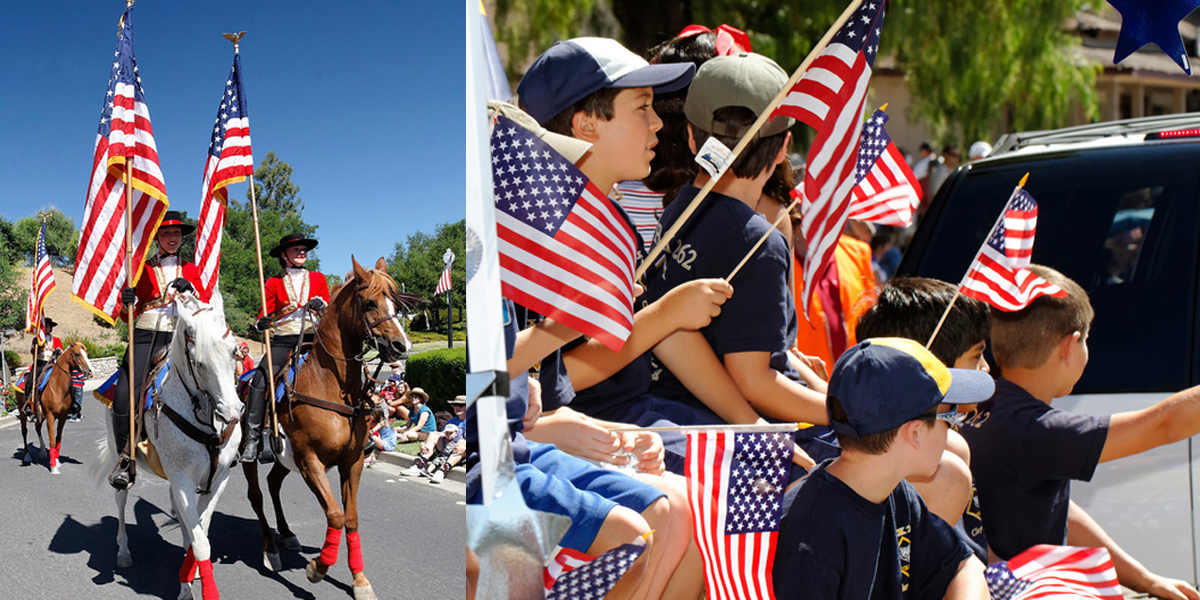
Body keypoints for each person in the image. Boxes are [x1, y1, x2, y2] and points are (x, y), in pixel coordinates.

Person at [957, 265, 1200, 598]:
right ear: (1069, 347)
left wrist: (1145, 580)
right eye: (1086, 338)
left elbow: (1056, 505)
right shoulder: (1035, 431)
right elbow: (1164, 424)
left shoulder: (986, 408)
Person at [643, 52, 828, 427]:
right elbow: (754, 381)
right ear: (782, 148)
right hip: (722, 425)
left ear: (692, 138)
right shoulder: (760, 242)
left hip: (672, 404)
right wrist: (844, 413)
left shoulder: (681, 204)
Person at [773, 337, 992, 599]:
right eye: (950, 417)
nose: (953, 429)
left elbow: (965, 566)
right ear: (916, 433)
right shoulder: (809, 542)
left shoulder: (896, 494)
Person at [110, 211, 209, 489]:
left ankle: (221, 444)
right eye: (167, 233)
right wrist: (126, 300)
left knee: (215, 381)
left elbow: (202, 306)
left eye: (177, 233)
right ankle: (125, 459)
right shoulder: (140, 267)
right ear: (156, 237)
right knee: (125, 396)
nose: (173, 238)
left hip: (182, 336)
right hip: (147, 336)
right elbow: (124, 316)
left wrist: (190, 291)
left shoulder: (192, 269)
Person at [241, 232, 331, 464]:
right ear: (284, 255)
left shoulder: (319, 278)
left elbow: (329, 311)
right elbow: (265, 316)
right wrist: (262, 323)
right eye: (295, 250)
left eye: (303, 249)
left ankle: (362, 428)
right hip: (285, 341)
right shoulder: (273, 282)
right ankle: (253, 438)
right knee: (260, 380)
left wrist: (322, 305)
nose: (301, 252)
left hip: (314, 339)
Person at [402, 397, 467, 483]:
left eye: (461, 405)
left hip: (461, 451)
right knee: (433, 434)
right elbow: (443, 433)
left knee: (462, 442)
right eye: (455, 405)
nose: (457, 407)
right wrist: (427, 444)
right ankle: (420, 465)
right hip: (447, 446)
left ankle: (442, 471)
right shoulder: (452, 420)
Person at [23, 317, 62, 417]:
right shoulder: (37, 339)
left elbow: (61, 352)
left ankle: (69, 403)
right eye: (45, 326)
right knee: (30, 381)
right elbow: (32, 351)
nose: (47, 328)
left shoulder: (56, 340)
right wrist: (35, 345)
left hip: (51, 363)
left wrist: (58, 351)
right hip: (40, 363)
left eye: (48, 327)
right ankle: (28, 404)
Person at [363, 402, 396, 468]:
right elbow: (367, 427)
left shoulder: (383, 422)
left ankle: (371, 457)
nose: (371, 416)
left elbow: (372, 431)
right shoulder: (377, 422)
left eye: (372, 415)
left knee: (371, 437)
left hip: (389, 444)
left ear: (377, 415)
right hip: (383, 441)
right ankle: (370, 456)